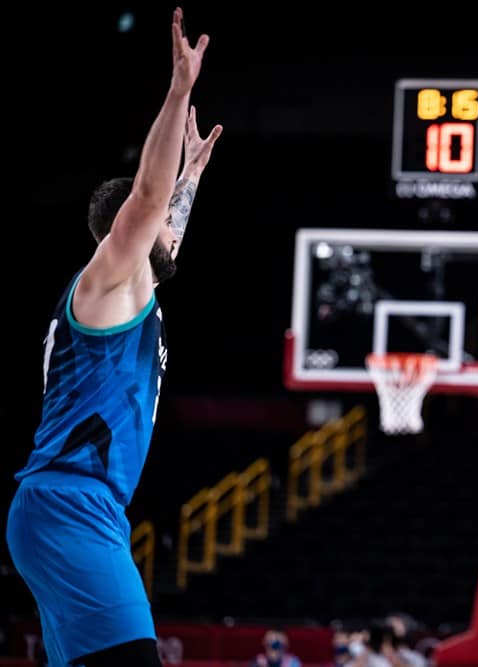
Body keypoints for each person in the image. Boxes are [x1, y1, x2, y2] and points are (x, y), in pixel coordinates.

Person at [5, 7, 221, 667]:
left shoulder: (139, 289)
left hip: (79, 508)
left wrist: (191, 174)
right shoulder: (106, 282)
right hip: (69, 504)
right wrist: (178, 90)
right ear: (126, 231)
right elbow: (149, 200)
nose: (171, 227)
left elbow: (165, 215)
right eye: (159, 220)